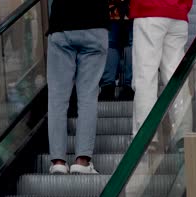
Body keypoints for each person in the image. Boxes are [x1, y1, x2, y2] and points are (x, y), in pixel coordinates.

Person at [47, 0, 109, 174]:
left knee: (57, 98)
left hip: (62, 23)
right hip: (95, 23)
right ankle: (82, 162)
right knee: (88, 96)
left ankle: (58, 161)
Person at [129, 0, 193, 137]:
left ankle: (146, 137)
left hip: (149, 10)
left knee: (146, 76)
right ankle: (185, 135)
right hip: (178, 13)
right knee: (176, 78)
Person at [99, 0, 134, 101]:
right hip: (132, 8)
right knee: (131, 43)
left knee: (111, 44)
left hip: (111, 9)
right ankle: (130, 86)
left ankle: (107, 87)